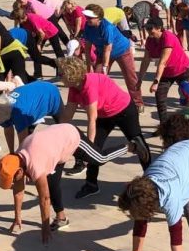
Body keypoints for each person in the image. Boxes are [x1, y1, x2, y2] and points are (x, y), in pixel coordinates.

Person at [0, 124, 131, 238]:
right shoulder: (17, 159)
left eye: (13, 180)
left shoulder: (35, 164)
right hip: (54, 149)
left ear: (20, 171)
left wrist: (45, 228)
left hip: (69, 136)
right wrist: (17, 217)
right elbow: (19, 191)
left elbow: (44, 199)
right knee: (53, 184)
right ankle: (61, 218)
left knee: (100, 159)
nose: (13, 183)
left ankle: (129, 147)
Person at [58, 57, 151, 199]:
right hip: (105, 115)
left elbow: (91, 120)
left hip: (124, 110)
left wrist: (87, 149)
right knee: (96, 149)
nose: (59, 76)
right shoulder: (74, 87)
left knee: (139, 143)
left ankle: (152, 179)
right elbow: (67, 116)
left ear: (71, 75)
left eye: (61, 74)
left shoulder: (89, 86)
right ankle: (91, 184)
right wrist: (55, 134)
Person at [81, 4, 141, 108]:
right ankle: (97, 102)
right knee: (97, 77)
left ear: (99, 18)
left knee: (130, 77)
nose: (88, 19)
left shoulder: (107, 27)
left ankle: (138, 103)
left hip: (121, 50)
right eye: (87, 17)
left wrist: (105, 67)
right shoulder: (87, 26)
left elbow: (107, 48)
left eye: (90, 17)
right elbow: (87, 47)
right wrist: (88, 65)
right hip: (102, 52)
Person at [0, 80, 64, 152]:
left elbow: (22, 140)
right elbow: (8, 130)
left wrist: (19, 158)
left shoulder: (19, 113)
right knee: (28, 139)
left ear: (0, 117)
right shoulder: (2, 107)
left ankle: (76, 154)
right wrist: (11, 153)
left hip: (50, 92)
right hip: (35, 95)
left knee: (64, 130)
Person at [139, 17, 189, 119]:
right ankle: (164, 126)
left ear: (159, 28)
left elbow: (162, 62)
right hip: (167, 73)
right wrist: (140, 78)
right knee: (160, 97)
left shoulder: (168, 37)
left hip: (182, 69)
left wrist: (155, 82)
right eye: (147, 28)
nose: (148, 31)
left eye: (150, 28)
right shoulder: (150, 40)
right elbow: (146, 60)